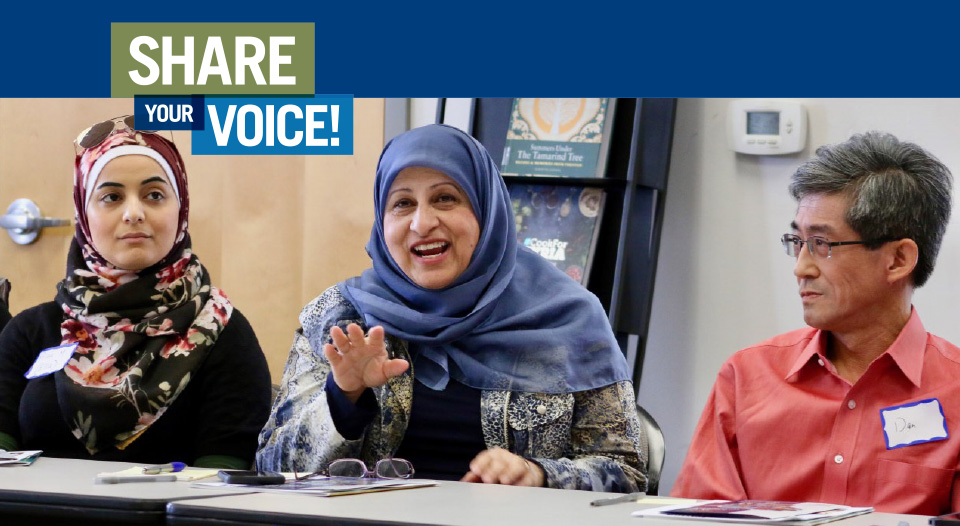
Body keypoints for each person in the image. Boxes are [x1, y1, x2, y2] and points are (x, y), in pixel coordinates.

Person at [257, 124, 648, 492]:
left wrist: (539, 473)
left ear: (486, 209)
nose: (422, 222)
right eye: (402, 204)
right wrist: (343, 396)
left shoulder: (569, 318)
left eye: (446, 198)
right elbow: (271, 467)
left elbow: (627, 474)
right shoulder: (342, 318)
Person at [672, 131, 959, 515]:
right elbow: (698, 518)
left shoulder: (954, 392)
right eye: (798, 241)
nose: (801, 268)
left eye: (822, 245)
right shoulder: (747, 376)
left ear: (897, 260)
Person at [0, 116, 272, 468]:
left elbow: (221, 490)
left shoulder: (221, 333)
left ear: (181, 209)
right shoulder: (31, 332)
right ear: (83, 213)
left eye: (154, 195)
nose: (134, 213)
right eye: (111, 196)